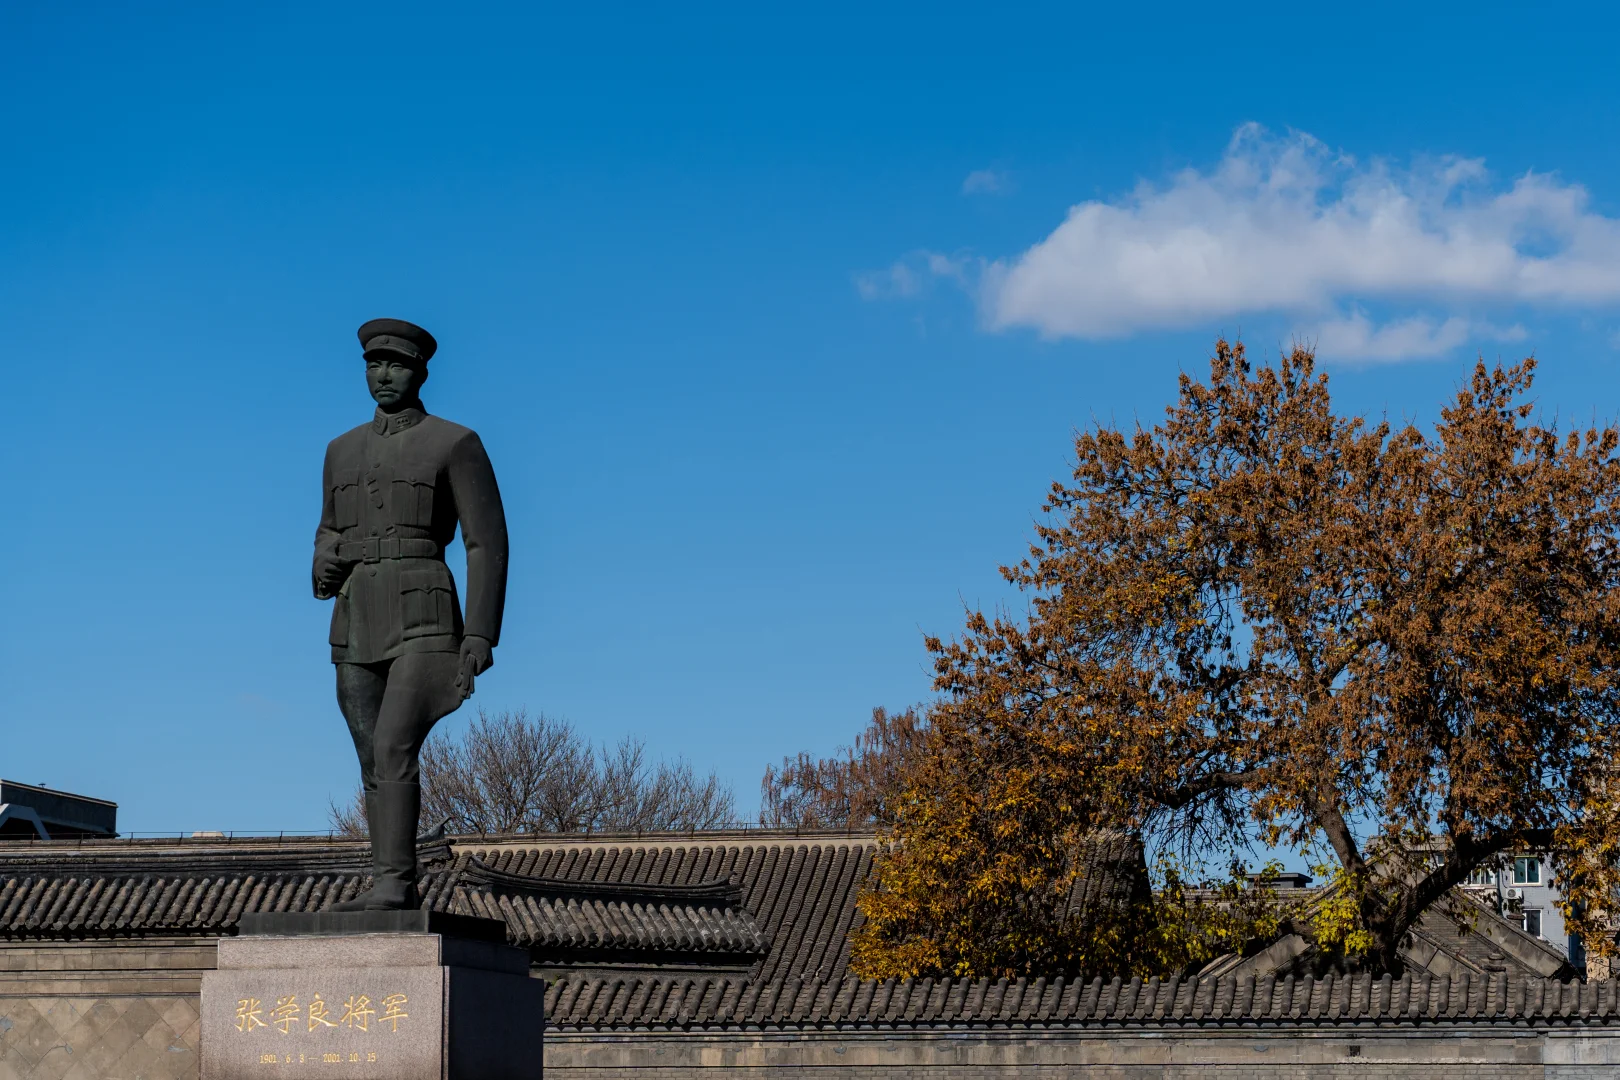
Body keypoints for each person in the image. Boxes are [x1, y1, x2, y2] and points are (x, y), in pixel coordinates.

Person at [312, 318, 508, 909]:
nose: (384, 375)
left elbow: (485, 542)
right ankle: (387, 878)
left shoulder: (454, 442)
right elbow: (327, 530)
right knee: (371, 755)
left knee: (395, 743)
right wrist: (324, 560)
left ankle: (395, 884)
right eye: (374, 365)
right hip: (356, 618)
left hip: (425, 615)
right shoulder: (340, 450)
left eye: (396, 365)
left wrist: (480, 634)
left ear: (420, 372)